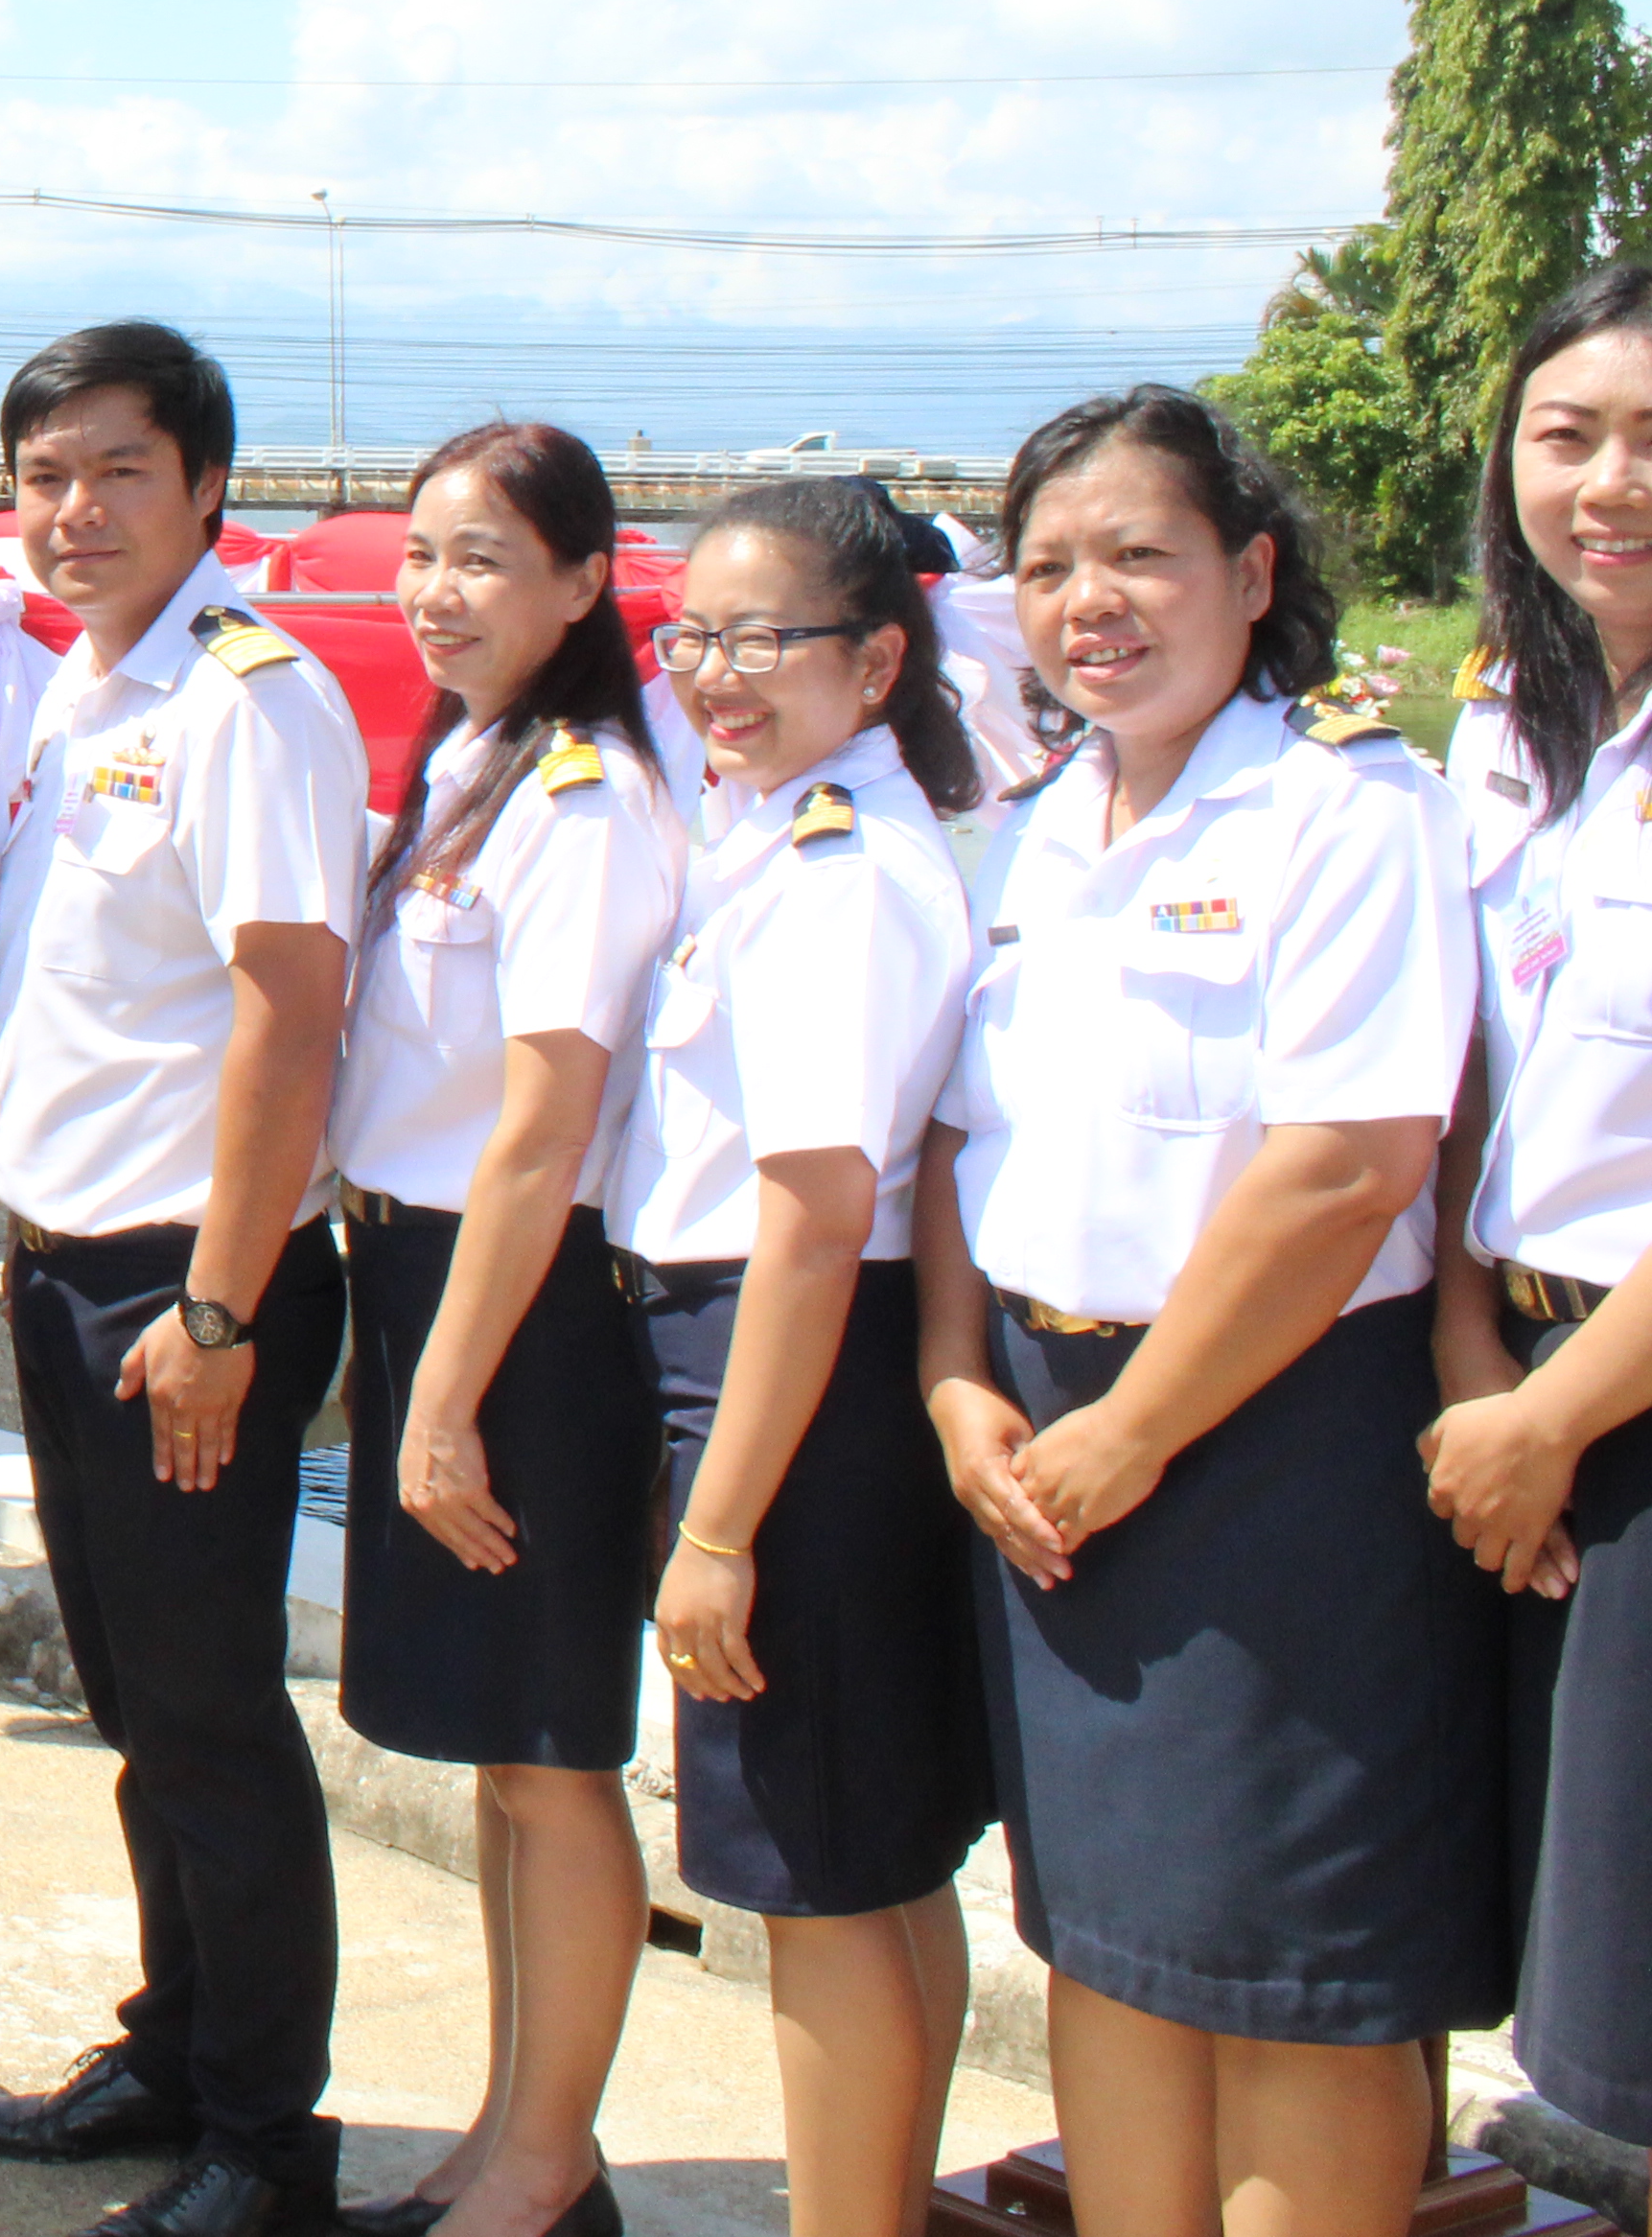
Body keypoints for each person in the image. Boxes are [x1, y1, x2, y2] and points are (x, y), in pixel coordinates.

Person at [925, 388, 1497, 2237]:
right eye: (1049, 566)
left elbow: (1347, 1170)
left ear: (1251, 575)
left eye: (1141, 555)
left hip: (1264, 1453)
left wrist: (1136, 1430)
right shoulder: (1027, 833)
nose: (1092, 600)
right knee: (1105, 1939)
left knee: (1293, 1983)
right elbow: (960, 1145)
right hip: (1049, 1442)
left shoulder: (1349, 810)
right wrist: (958, 1387)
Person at [0, 321, 366, 2237]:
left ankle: (269, 2141)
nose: (76, 509)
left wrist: (218, 1309)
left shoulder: (245, 701)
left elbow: (292, 1013)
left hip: (187, 1293)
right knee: (137, 1698)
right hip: (65, 1272)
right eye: (43, 474)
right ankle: (175, 2049)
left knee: (209, 1715)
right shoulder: (75, 686)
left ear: (207, 487)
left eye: (118, 470)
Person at [600, 482, 991, 2237]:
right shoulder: (779, 832)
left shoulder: (838, 875)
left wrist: (718, 1528)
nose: (717, 676)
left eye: (768, 640)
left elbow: (817, 1222)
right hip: (792, 1369)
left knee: (816, 1882)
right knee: (872, 1863)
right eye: (692, 636)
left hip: (785, 1386)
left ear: (881, 656)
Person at [316, 427, 682, 2237]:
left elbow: (542, 1131)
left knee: (553, 1753)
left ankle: (547, 2167)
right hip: (428, 1282)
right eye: (420, 556)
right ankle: (507, 2132)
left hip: (523, 1315)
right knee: (497, 1764)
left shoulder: (591, 799)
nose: (435, 592)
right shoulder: (474, 762)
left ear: (583, 580)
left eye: (480, 558)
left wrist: (446, 1398)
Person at [1431, 265, 1652, 2155]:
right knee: (1591, 1972)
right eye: (1568, 437)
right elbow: (1491, 1092)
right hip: (1531, 1379)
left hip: (1607, 1401)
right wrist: (1475, 1364)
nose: (1607, 482)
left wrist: (1548, 1419)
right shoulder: (1551, 742)